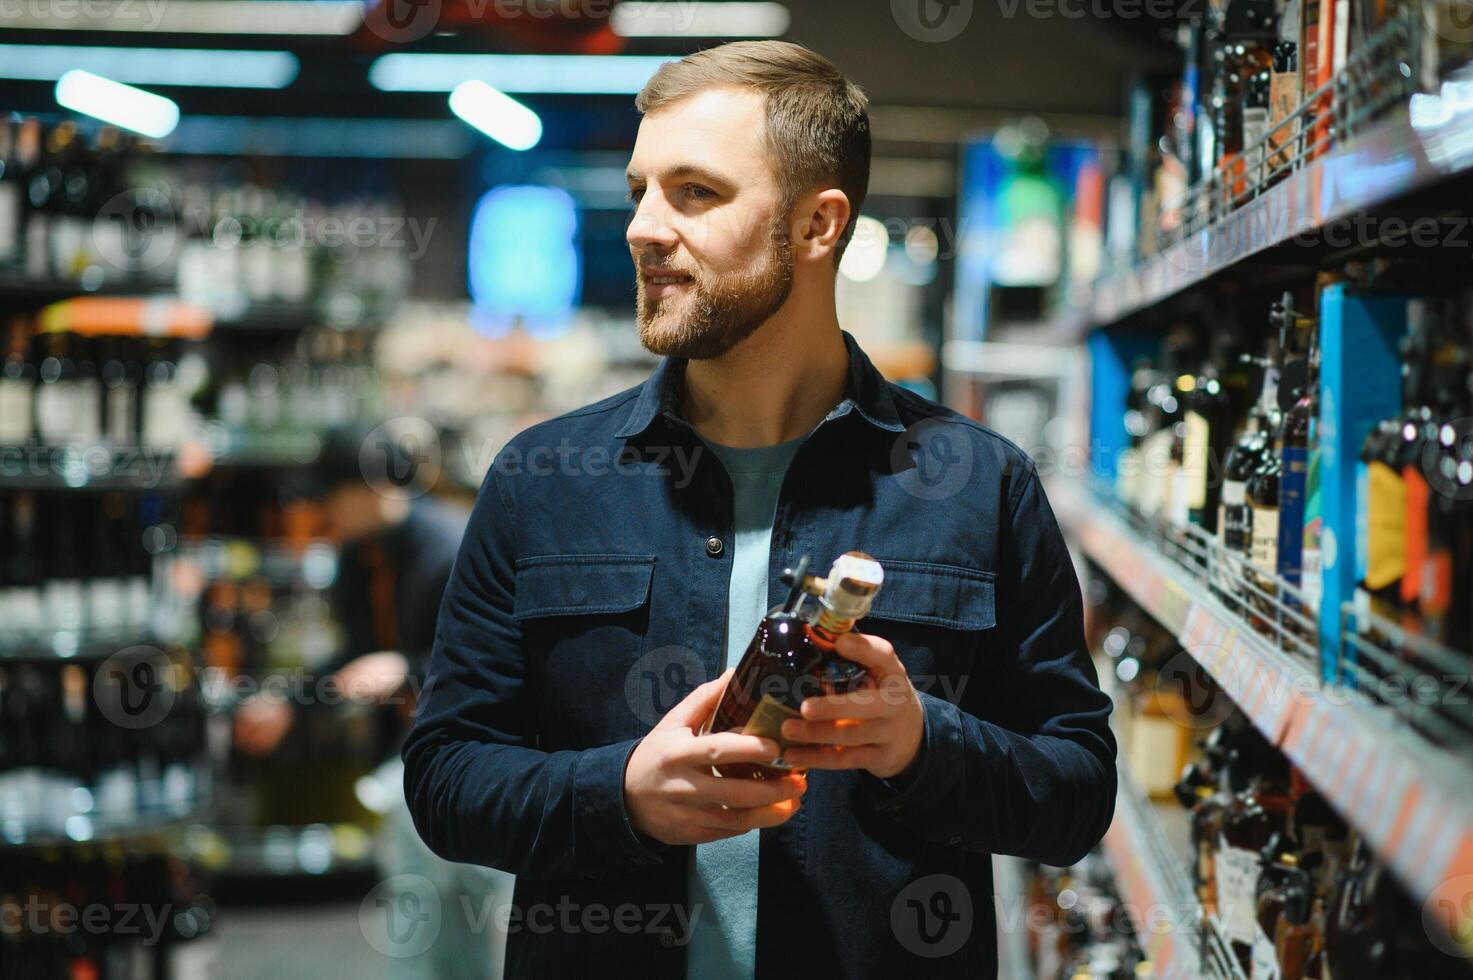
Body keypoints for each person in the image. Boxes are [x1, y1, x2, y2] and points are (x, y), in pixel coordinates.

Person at [403, 40, 1116, 980]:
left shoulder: (977, 484)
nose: (643, 229)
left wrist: (919, 744)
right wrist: (617, 793)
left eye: (695, 192)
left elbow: (1075, 793)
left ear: (818, 225)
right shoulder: (544, 478)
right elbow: (446, 775)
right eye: (638, 191)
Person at [232, 422, 512, 979]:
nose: (321, 513)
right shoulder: (357, 559)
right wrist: (292, 704)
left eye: (331, 497)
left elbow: (500, 662)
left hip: (478, 759)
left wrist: (405, 668)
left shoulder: (454, 545)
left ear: (372, 489)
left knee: (457, 922)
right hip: (412, 765)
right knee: (426, 918)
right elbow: (354, 655)